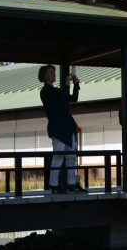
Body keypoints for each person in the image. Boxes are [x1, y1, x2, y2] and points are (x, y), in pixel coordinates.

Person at [39, 64, 86, 194]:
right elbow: (61, 99)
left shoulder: (57, 90)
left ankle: (72, 184)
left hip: (68, 126)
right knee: (58, 156)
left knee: (71, 156)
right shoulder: (45, 91)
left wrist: (75, 85)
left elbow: (73, 98)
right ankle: (53, 185)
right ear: (44, 76)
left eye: (54, 72)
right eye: (51, 72)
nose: (53, 74)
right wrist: (66, 84)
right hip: (58, 128)